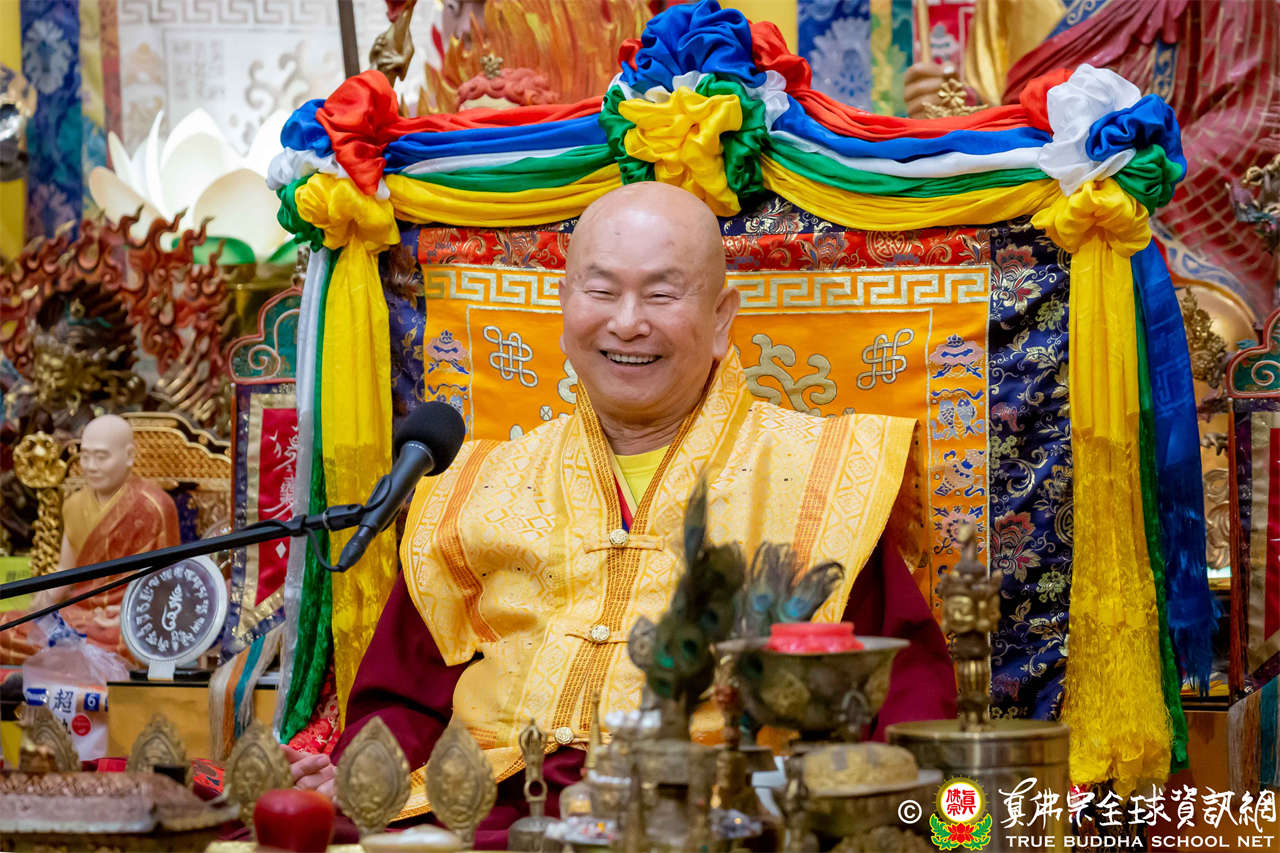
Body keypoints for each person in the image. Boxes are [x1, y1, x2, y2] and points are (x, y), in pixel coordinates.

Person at [287, 182, 956, 846]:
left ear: (722, 316)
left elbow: (902, 698)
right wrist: (357, 771)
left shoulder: (823, 478)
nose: (628, 322)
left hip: (711, 822)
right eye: (602, 291)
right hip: (489, 817)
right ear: (565, 303)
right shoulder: (477, 480)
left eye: (662, 294)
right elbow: (405, 697)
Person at [0, 414, 181, 664]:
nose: (91, 466)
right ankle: (71, 655)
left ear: (129, 455)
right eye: (85, 456)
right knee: (6, 626)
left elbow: (169, 584)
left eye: (101, 457)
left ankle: (71, 654)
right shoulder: (74, 504)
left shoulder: (156, 506)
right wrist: (44, 600)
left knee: (135, 641)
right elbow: (65, 570)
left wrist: (133, 612)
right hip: (78, 613)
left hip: (125, 622)